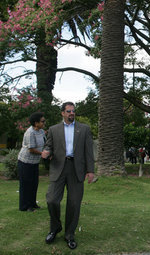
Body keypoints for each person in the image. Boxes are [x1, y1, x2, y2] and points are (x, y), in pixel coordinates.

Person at [41, 102, 95, 250]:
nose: (72, 113)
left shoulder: (84, 129)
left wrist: (90, 170)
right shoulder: (53, 129)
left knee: (74, 203)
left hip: (76, 169)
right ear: (63, 113)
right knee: (52, 200)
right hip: (58, 167)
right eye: (68, 111)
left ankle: (69, 235)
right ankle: (55, 228)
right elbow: (49, 146)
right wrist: (46, 152)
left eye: (73, 111)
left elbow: (89, 151)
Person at [17, 112, 47, 212]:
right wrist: (42, 154)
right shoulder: (30, 133)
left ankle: (33, 203)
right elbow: (31, 149)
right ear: (36, 123)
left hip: (34, 162)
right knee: (26, 184)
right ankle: (25, 206)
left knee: (34, 183)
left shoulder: (41, 131)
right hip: (25, 162)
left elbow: (45, 142)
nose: (44, 123)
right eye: (42, 121)